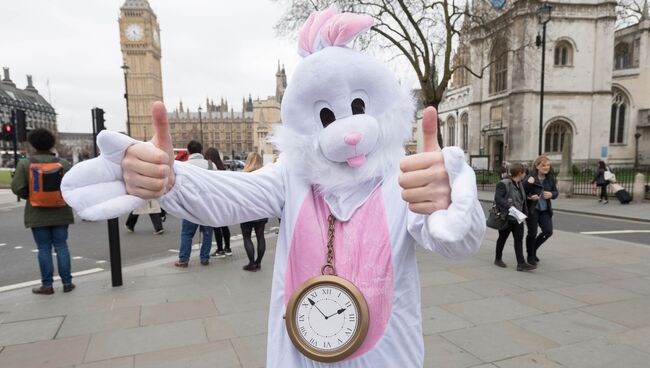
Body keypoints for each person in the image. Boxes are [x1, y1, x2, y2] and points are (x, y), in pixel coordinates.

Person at [11, 128, 75, 294]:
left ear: (33, 144)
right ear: (52, 144)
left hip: (37, 213)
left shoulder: (25, 164)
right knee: (61, 246)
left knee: (44, 248)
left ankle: (47, 285)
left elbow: (17, 187)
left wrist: (32, 197)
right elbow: (72, 186)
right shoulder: (64, 164)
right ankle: (67, 283)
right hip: (61, 211)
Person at [174, 140, 214, 267]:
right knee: (207, 233)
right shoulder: (211, 165)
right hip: (207, 205)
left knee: (187, 233)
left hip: (189, 205)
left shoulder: (182, 166)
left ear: (188, 151)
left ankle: (184, 259)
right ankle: (204, 258)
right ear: (201, 151)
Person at [494, 163, 535, 271]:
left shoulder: (519, 184)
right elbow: (498, 198)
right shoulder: (503, 184)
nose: (525, 174)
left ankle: (521, 263)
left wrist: (529, 201)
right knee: (502, 238)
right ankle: (498, 259)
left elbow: (521, 199)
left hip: (517, 217)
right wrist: (510, 206)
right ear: (520, 173)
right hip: (507, 217)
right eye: (524, 173)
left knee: (518, 239)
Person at [523, 155, 558, 266]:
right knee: (532, 233)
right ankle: (530, 255)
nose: (546, 167)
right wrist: (530, 195)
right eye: (543, 165)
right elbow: (522, 193)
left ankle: (533, 250)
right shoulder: (530, 177)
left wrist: (552, 194)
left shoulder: (550, 178)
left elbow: (556, 192)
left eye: (548, 165)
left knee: (548, 231)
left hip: (545, 210)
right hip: (532, 210)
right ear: (537, 166)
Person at [240, 152, 268, 271]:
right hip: (262, 210)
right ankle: (258, 262)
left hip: (247, 211)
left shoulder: (243, 175)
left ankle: (251, 263)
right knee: (260, 236)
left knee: (247, 237)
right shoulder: (265, 175)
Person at [204, 147, 232, 258]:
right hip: (224, 201)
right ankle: (228, 248)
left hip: (214, 201)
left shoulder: (211, 169)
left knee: (216, 226)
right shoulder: (223, 168)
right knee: (224, 226)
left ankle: (220, 249)